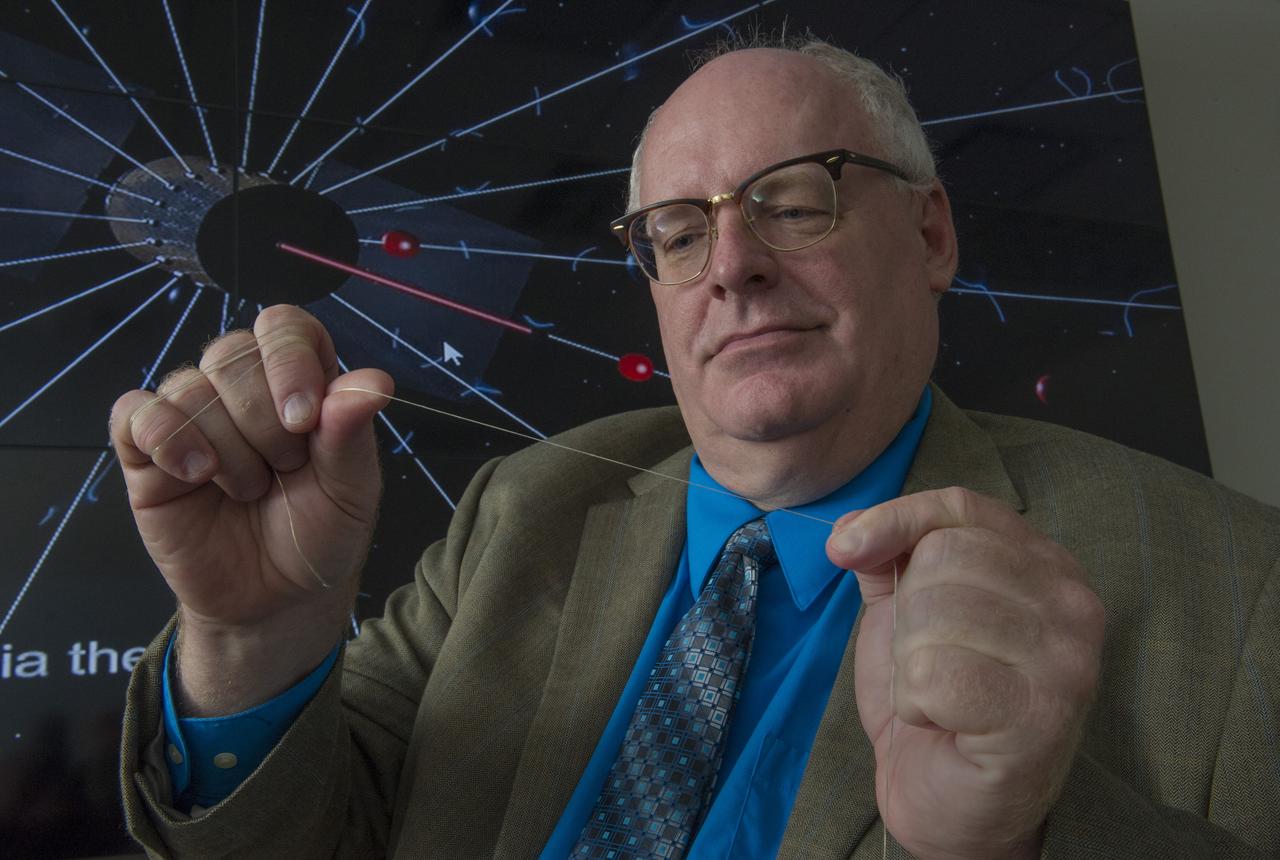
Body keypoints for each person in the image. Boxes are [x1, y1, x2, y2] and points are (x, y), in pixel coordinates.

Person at [112, 37, 1279, 859]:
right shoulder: (524, 505)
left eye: (793, 199)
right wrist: (253, 640)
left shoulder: (1237, 588)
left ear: (928, 233)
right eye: (676, 231)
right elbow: (312, 832)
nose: (730, 264)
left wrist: (1014, 840)